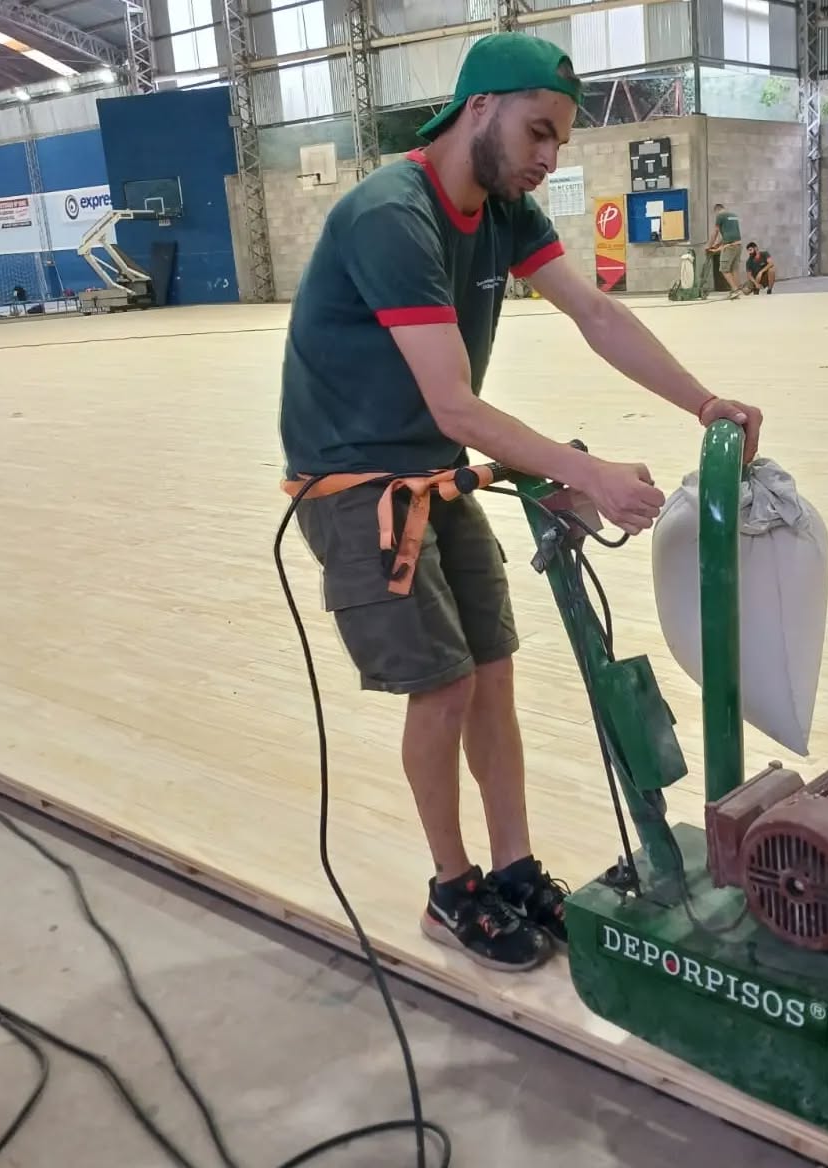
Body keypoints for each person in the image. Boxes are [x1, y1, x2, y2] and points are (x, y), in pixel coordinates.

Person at [277, 33, 762, 974]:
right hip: (357, 485)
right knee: (444, 685)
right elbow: (454, 404)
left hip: (436, 469)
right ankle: (451, 888)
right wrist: (588, 474)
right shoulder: (392, 215)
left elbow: (597, 313)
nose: (549, 156)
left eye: (559, 140)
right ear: (480, 108)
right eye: (539, 131)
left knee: (492, 670)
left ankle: (513, 868)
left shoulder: (505, 210)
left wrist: (704, 403)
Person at [707, 203, 743, 297]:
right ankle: (738, 289)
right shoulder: (733, 216)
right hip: (738, 245)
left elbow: (715, 232)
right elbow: (729, 234)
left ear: (717, 210)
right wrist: (717, 245)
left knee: (724, 269)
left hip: (729, 246)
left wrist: (708, 246)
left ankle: (735, 290)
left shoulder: (720, 215)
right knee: (734, 269)